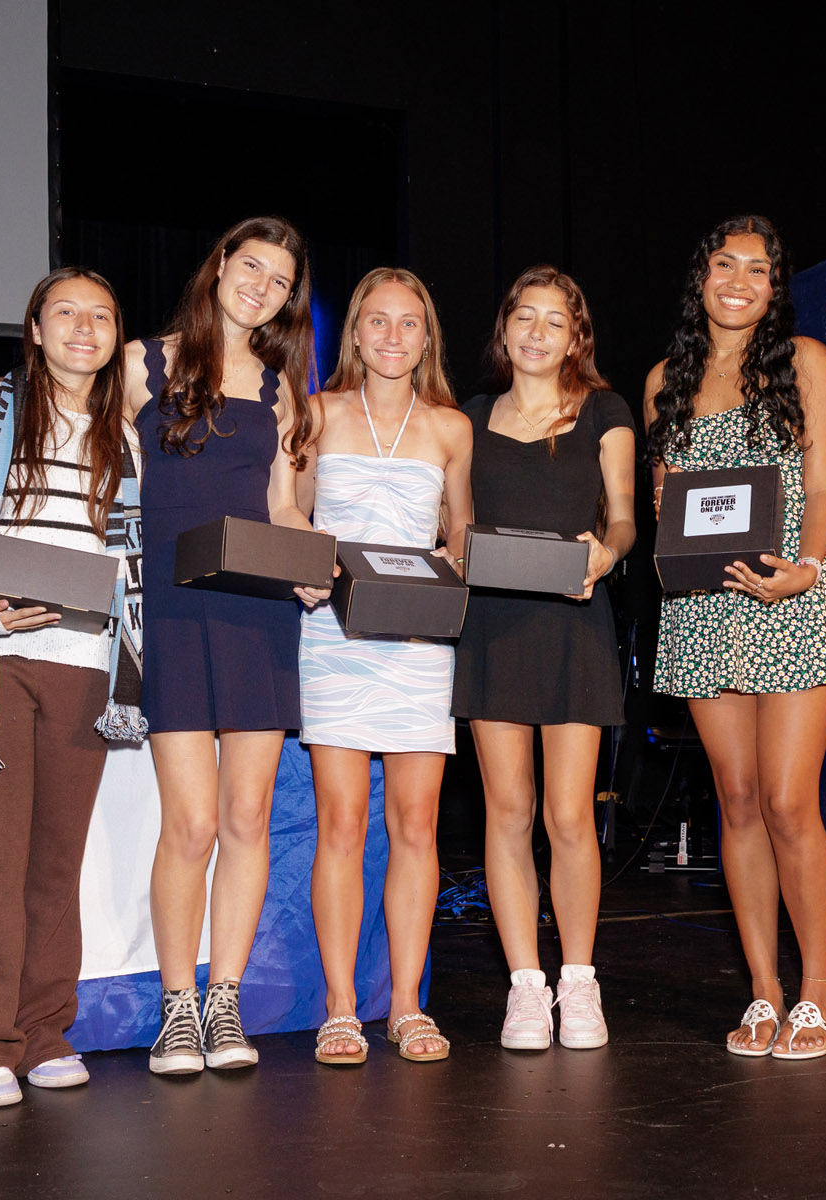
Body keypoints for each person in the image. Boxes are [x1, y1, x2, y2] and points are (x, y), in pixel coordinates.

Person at [0, 267, 144, 1106]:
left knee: (55, 863)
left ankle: (45, 1030)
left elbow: (128, 569)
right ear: (36, 329)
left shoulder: (126, 438)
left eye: (102, 315)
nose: (84, 327)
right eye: (66, 312)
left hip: (85, 669)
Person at [644, 215, 826, 1061]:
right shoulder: (666, 378)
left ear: (776, 288)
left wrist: (806, 566)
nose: (739, 281)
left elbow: (821, 483)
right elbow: (669, 503)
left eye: (758, 270)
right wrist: (668, 534)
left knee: (786, 801)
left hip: (792, 598)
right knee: (735, 801)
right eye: (724, 264)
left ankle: (819, 991)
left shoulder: (804, 361)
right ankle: (765, 992)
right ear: (701, 276)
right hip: (706, 607)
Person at [121, 216, 324, 1074]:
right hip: (171, 612)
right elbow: (106, 479)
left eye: (280, 281)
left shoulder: (285, 389)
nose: (262, 288)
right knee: (194, 822)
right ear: (219, 267)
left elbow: (285, 508)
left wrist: (312, 565)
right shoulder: (141, 363)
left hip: (258, 616)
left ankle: (224, 1002)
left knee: (246, 817)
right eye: (252, 268)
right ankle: (176, 1007)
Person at [452, 266, 636, 1052]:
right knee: (508, 811)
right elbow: (457, 527)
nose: (536, 332)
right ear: (505, 327)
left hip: (573, 623)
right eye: (524, 316)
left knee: (568, 814)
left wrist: (606, 555)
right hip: (489, 629)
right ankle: (526, 986)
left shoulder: (606, 411)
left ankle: (579, 981)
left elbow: (624, 520)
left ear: (575, 336)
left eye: (554, 321)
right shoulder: (469, 417)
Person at [296, 268, 473, 1065]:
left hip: (419, 645)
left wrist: (454, 558)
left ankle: (405, 1005)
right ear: (355, 333)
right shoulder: (318, 413)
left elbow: (461, 531)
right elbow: (292, 515)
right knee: (341, 822)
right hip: (334, 639)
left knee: (415, 824)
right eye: (378, 321)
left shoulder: (451, 428)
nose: (393, 336)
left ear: (427, 336)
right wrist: (305, 559)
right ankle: (340, 1007)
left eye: (409, 322)